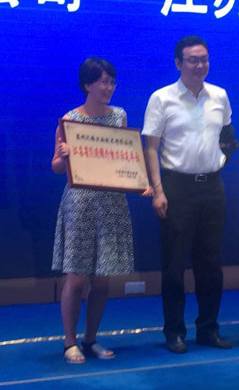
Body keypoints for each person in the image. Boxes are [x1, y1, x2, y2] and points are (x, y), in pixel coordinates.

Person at [142, 36, 237, 354]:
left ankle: (208, 329)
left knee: (211, 264)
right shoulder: (162, 98)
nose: (200, 65)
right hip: (176, 188)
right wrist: (158, 190)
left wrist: (221, 159)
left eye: (204, 59)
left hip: (212, 187)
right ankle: (174, 331)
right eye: (193, 60)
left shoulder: (220, 96)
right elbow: (151, 148)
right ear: (178, 63)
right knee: (174, 265)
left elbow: (228, 137)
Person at [52, 57, 149, 364]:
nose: (109, 88)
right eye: (103, 82)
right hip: (80, 203)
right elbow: (56, 166)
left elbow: (125, 157)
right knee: (76, 277)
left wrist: (141, 182)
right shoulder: (70, 120)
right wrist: (64, 156)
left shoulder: (119, 116)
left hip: (111, 202)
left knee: (103, 278)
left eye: (112, 82)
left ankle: (90, 338)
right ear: (87, 85)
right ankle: (69, 341)